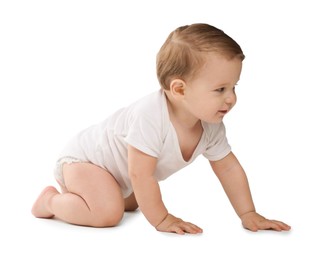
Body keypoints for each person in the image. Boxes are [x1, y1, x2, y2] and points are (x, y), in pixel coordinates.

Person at [32, 23, 291, 234]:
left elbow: (229, 168)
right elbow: (141, 175)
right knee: (107, 213)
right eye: (220, 89)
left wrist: (248, 213)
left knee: (132, 203)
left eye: (234, 87)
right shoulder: (151, 116)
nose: (231, 97)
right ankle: (50, 201)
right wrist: (162, 219)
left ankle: (102, 195)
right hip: (86, 162)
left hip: (120, 177)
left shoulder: (210, 126)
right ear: (179, 89)